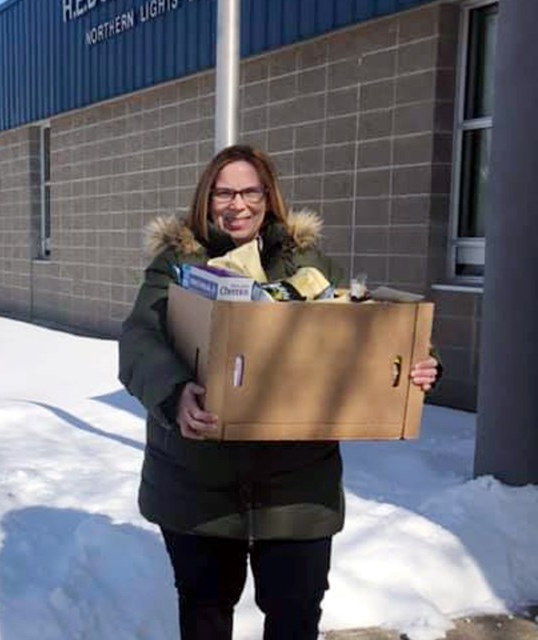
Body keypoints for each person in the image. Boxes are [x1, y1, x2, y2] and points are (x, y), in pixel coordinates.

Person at [117, 144, 440, 640]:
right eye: (224, 192)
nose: (237, 205)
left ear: (269, 197)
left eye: (249, 191)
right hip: (197, 485)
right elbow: (141, 340)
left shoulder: (306, 263)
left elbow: (361, 328)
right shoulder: (177, 266)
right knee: (205, 612)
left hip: (297, 488)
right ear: (206, 198)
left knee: (295, 616)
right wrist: (175, 394)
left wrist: (419, 363)